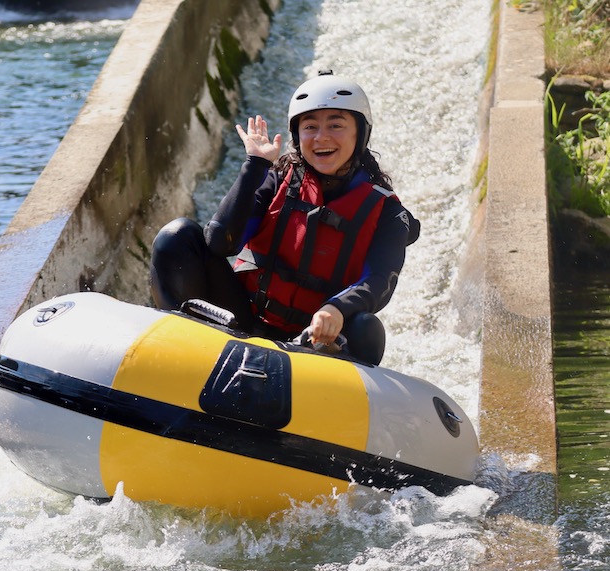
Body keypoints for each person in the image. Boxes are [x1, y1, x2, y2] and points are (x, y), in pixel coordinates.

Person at [149, 71, 419, 365]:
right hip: (239, 318)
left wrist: (337, 309)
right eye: (310, 126)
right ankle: (179, 356)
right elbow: (219, 243)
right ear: (297, 135)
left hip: (314, 341)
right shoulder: (276, 179)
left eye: (336, 125)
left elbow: (380, 280)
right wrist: (254, 167)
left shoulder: (388, 212)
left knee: (366, 328)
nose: (321, 137)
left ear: (360, 133)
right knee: (177, 236)